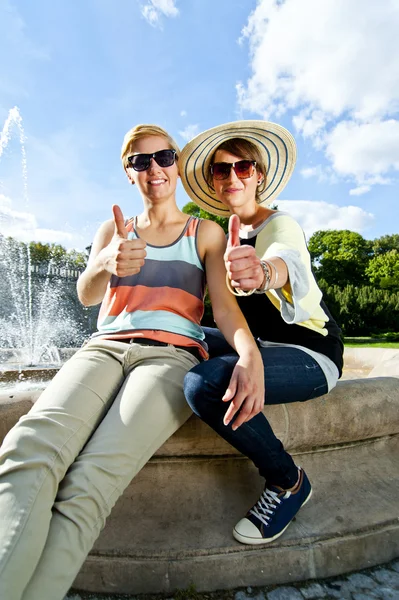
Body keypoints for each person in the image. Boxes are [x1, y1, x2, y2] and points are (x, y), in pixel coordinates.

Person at [0, 124, 264, 600]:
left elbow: (225, 309)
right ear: (129, 173)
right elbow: (86, 296)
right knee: (27, 449)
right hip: (104, 347)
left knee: (90, 482)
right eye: (140, 162)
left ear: (178, 164)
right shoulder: (112, 229)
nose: (154, 169)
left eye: (163, 157)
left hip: (168, 357)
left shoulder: (203, 233)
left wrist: (250, 355)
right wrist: (106, 262)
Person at [180, 120, 344, 546]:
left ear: (259, 176)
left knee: (205, 385)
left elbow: (286, 257)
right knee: (181, 331)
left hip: (309, 355)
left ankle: (288, 481)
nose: (233, 176)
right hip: (258, 346)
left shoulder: (278, 225)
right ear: (213, 183)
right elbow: (221, 316)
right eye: (221, 170)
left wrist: (264, 272)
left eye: (244, 166)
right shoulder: (218, 239)